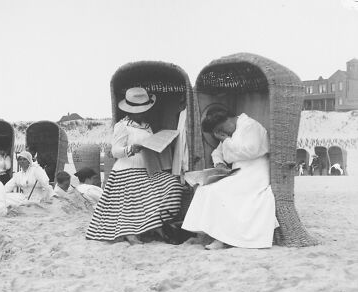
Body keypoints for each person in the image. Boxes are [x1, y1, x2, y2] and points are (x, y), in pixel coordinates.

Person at [86, 87, 183, 244]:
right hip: (126, 170)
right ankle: (130, 233)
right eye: (139, 110)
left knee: (172, 184)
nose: (143, 112)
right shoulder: (122, 125)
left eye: (144, 109)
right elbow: (115, 151)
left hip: (147, 168)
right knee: (131, 205)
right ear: (131, 110)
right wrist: (131, 148)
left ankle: (151, 226)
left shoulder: (147, 126)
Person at [181, 110, 278, 250]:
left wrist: (226, 141)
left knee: (219, 191)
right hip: (239, 172)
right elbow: (217, 152)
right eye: (217, 132)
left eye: (221, 129)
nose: (221, 133)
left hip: (256, 172)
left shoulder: (250, 126)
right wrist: (219, 163)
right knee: (204, 188)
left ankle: (222, 238)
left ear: (229, 119)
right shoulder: (231, 132)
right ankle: (216, 235)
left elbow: (251, 150)